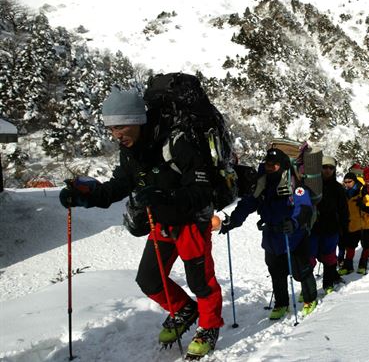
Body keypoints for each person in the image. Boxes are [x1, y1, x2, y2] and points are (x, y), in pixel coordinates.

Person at [58, 88, 223, 357]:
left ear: (137, 120)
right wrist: (83, 197)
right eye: (111, 128)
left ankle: (209, 326)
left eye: (121, 126)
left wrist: (164, 195)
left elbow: (203, 190)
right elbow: (117, 187)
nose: (116, 134)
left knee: (201, 282)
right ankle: (183, 309)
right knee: (149, 279)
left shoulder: (176, 142)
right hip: (161, 223)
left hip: (191, 221)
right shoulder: (130, 152)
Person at [222, 148, 318, 319]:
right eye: (267, 164)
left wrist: (294, 222)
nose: (269, 168)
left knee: (301, 270)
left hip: (294, 235)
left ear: (282, 166)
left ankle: (310, 298)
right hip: (272, 237)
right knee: (276, 272)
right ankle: (281, 304)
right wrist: (234, 221)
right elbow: (248, 204)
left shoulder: (294, 183)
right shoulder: (262, 183)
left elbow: (303, 207)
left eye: (274, 165)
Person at [310, 156, 349, 294]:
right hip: (313, 227)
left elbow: (344, 210)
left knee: (329, 257)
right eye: (325, 167)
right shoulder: (312, 185)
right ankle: (308, 289)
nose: (327, 170)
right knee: (310, 257)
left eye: (331, 168)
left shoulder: (338, 188)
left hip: (331, 227)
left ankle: (328, 283)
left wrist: (344, 228)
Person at [339, 172, 369, 275]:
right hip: (353, 224)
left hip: (366, 223)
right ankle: (348, 266)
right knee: (350, 246)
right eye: (345, 182)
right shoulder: (344, 193)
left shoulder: (363, 191)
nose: (347, 184)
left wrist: (363, 206)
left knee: (366, 245)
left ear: (354, 181)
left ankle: (362, 265)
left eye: (349, 181)